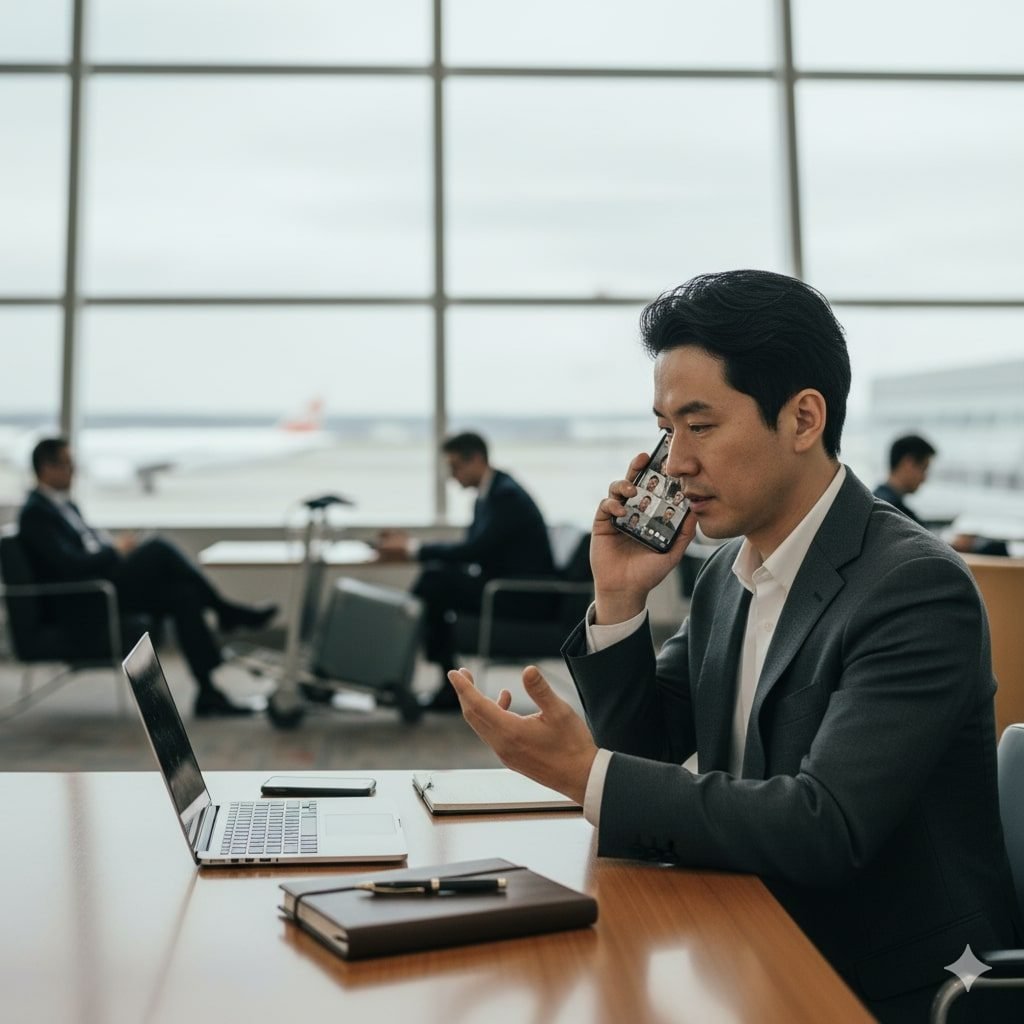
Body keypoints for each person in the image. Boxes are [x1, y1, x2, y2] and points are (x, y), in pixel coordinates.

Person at [445, 270, 1019, 1021]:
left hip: (888, 982)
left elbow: (826, 827)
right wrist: (620, 597)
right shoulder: (727, 572)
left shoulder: (913, 587)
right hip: (750, 933)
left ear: (803, 419)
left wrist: (590, 774)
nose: (674, 461)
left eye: (701, 424)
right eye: (666, 428)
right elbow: (646, 753)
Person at [18, 438, 277, 717]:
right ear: (46, 468)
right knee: (158, 548)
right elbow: (70, 567)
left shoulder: (66, 507)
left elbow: (85, 550)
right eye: (67, 464)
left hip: (101, 586)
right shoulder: (35, 513)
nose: (74, 471)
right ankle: (225, 610)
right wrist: (115, 551)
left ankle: (208, 693)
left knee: (184, 596)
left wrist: (112, 548)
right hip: (85, 599)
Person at [376, 431, 554, 711]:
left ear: (477, 460)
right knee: (436, 579)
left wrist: (413, 548)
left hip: (518, 595)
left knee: (434, 581)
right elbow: (473, 551)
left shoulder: (506, 497)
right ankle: (425, 674)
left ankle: (406, 668)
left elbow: (474, 550)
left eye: (455, 466)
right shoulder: (491, 494)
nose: (451, 475)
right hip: (502, 585)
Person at [873, 434, 935, 525]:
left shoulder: (875, 502)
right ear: (908, 463)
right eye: (923, 469)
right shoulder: (895, 513)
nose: (924, 479)